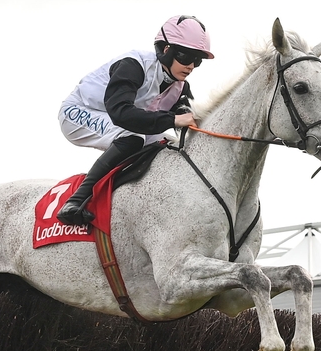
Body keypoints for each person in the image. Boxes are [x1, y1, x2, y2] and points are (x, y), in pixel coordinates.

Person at [57, 15, 214, 225]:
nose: (191, 66)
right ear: (166, 50)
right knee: (133, 137)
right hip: (77, 112)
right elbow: (122, 114)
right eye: (186, 57)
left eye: (197, 61)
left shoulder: (180, 87)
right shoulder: (134, 65)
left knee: (167, 146)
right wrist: (174, 119)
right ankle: (75, 201)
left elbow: (188, 124)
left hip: (120, 122)